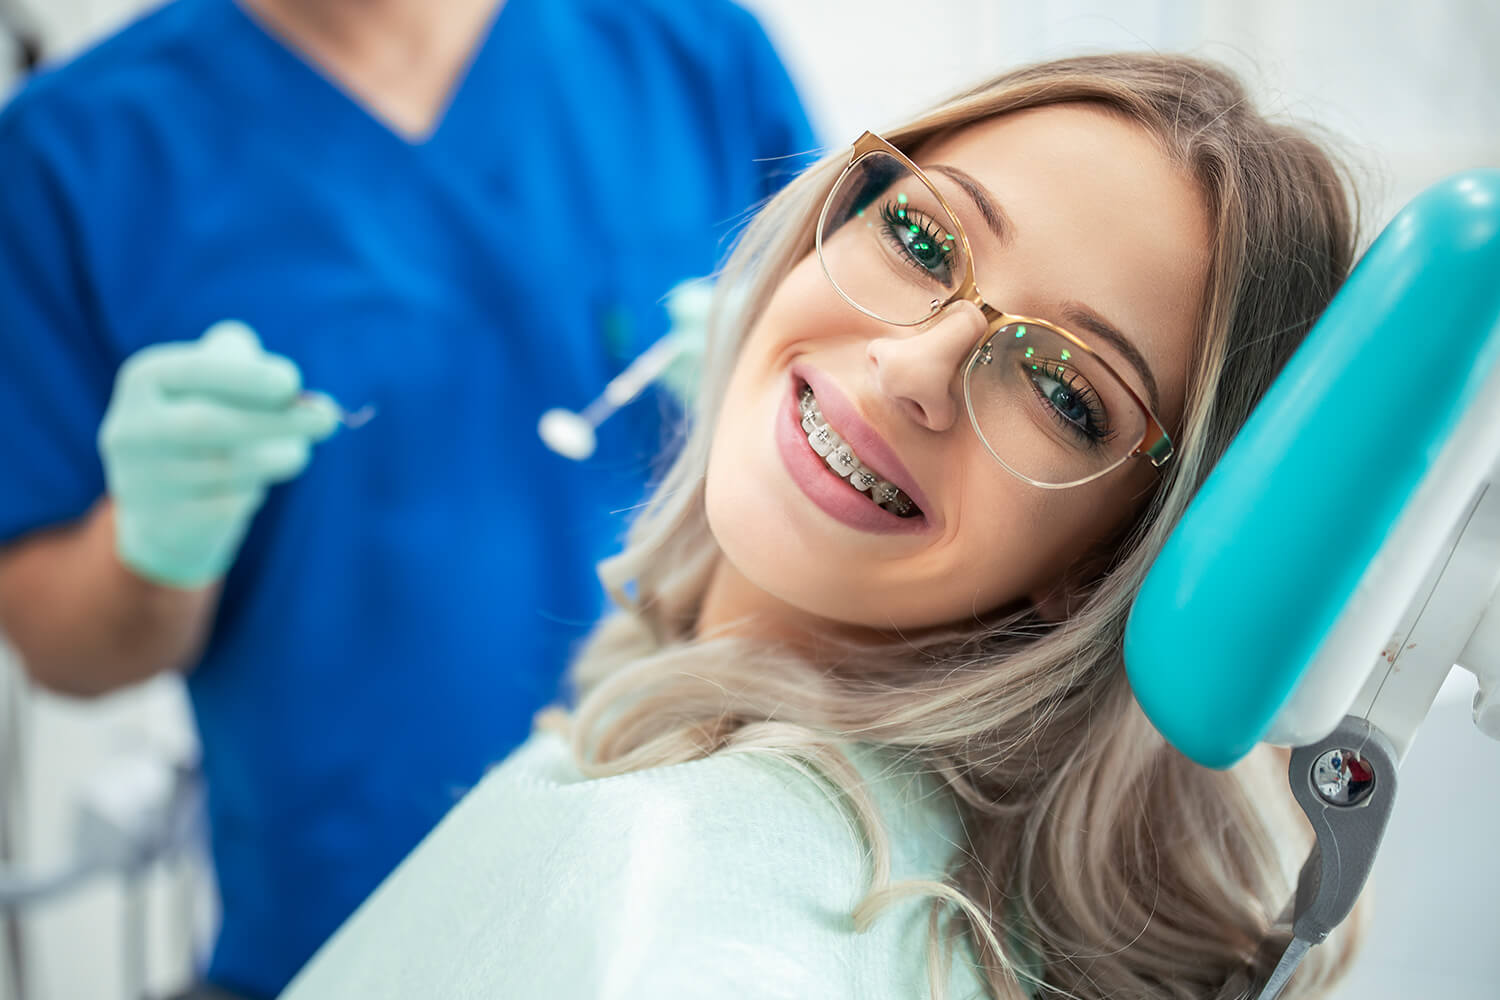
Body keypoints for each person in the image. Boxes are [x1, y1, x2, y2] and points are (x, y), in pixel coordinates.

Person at [271, 51, 1373, 1000]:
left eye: (1063, 391)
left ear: (1106, 562)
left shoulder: (680, 895)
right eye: (923, 239)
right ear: (826, 216)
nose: (913, 366)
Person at [0, 0, 815, 996]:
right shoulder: (78, 148)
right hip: (343, 941)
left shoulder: (690, 49)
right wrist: (153, 541)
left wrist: (786, 405)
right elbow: (62, 648)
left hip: (706, 924)